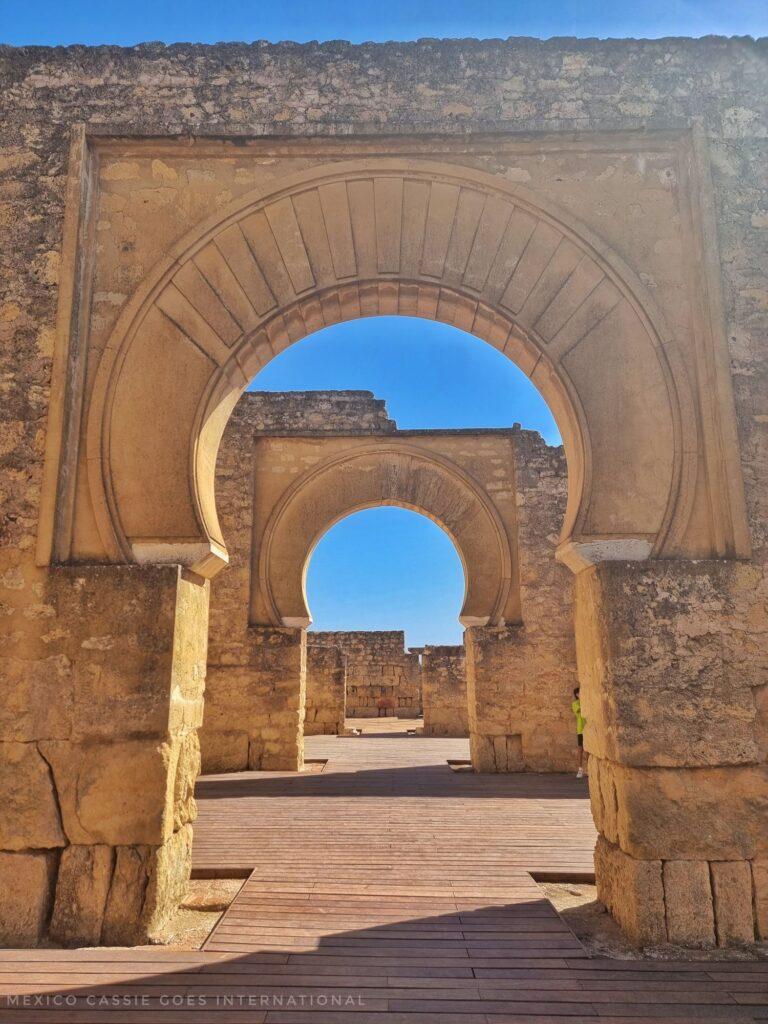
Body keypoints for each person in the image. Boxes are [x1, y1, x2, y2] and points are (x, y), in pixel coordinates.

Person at [571, 686, 587, 778]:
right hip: (581, 730)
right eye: (580, 693)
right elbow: (580, 709)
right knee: (580, 750)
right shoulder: (575, 703)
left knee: (589, 751)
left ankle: (590, 768)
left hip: (588, 729)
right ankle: (580, 769)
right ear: (577, 694)